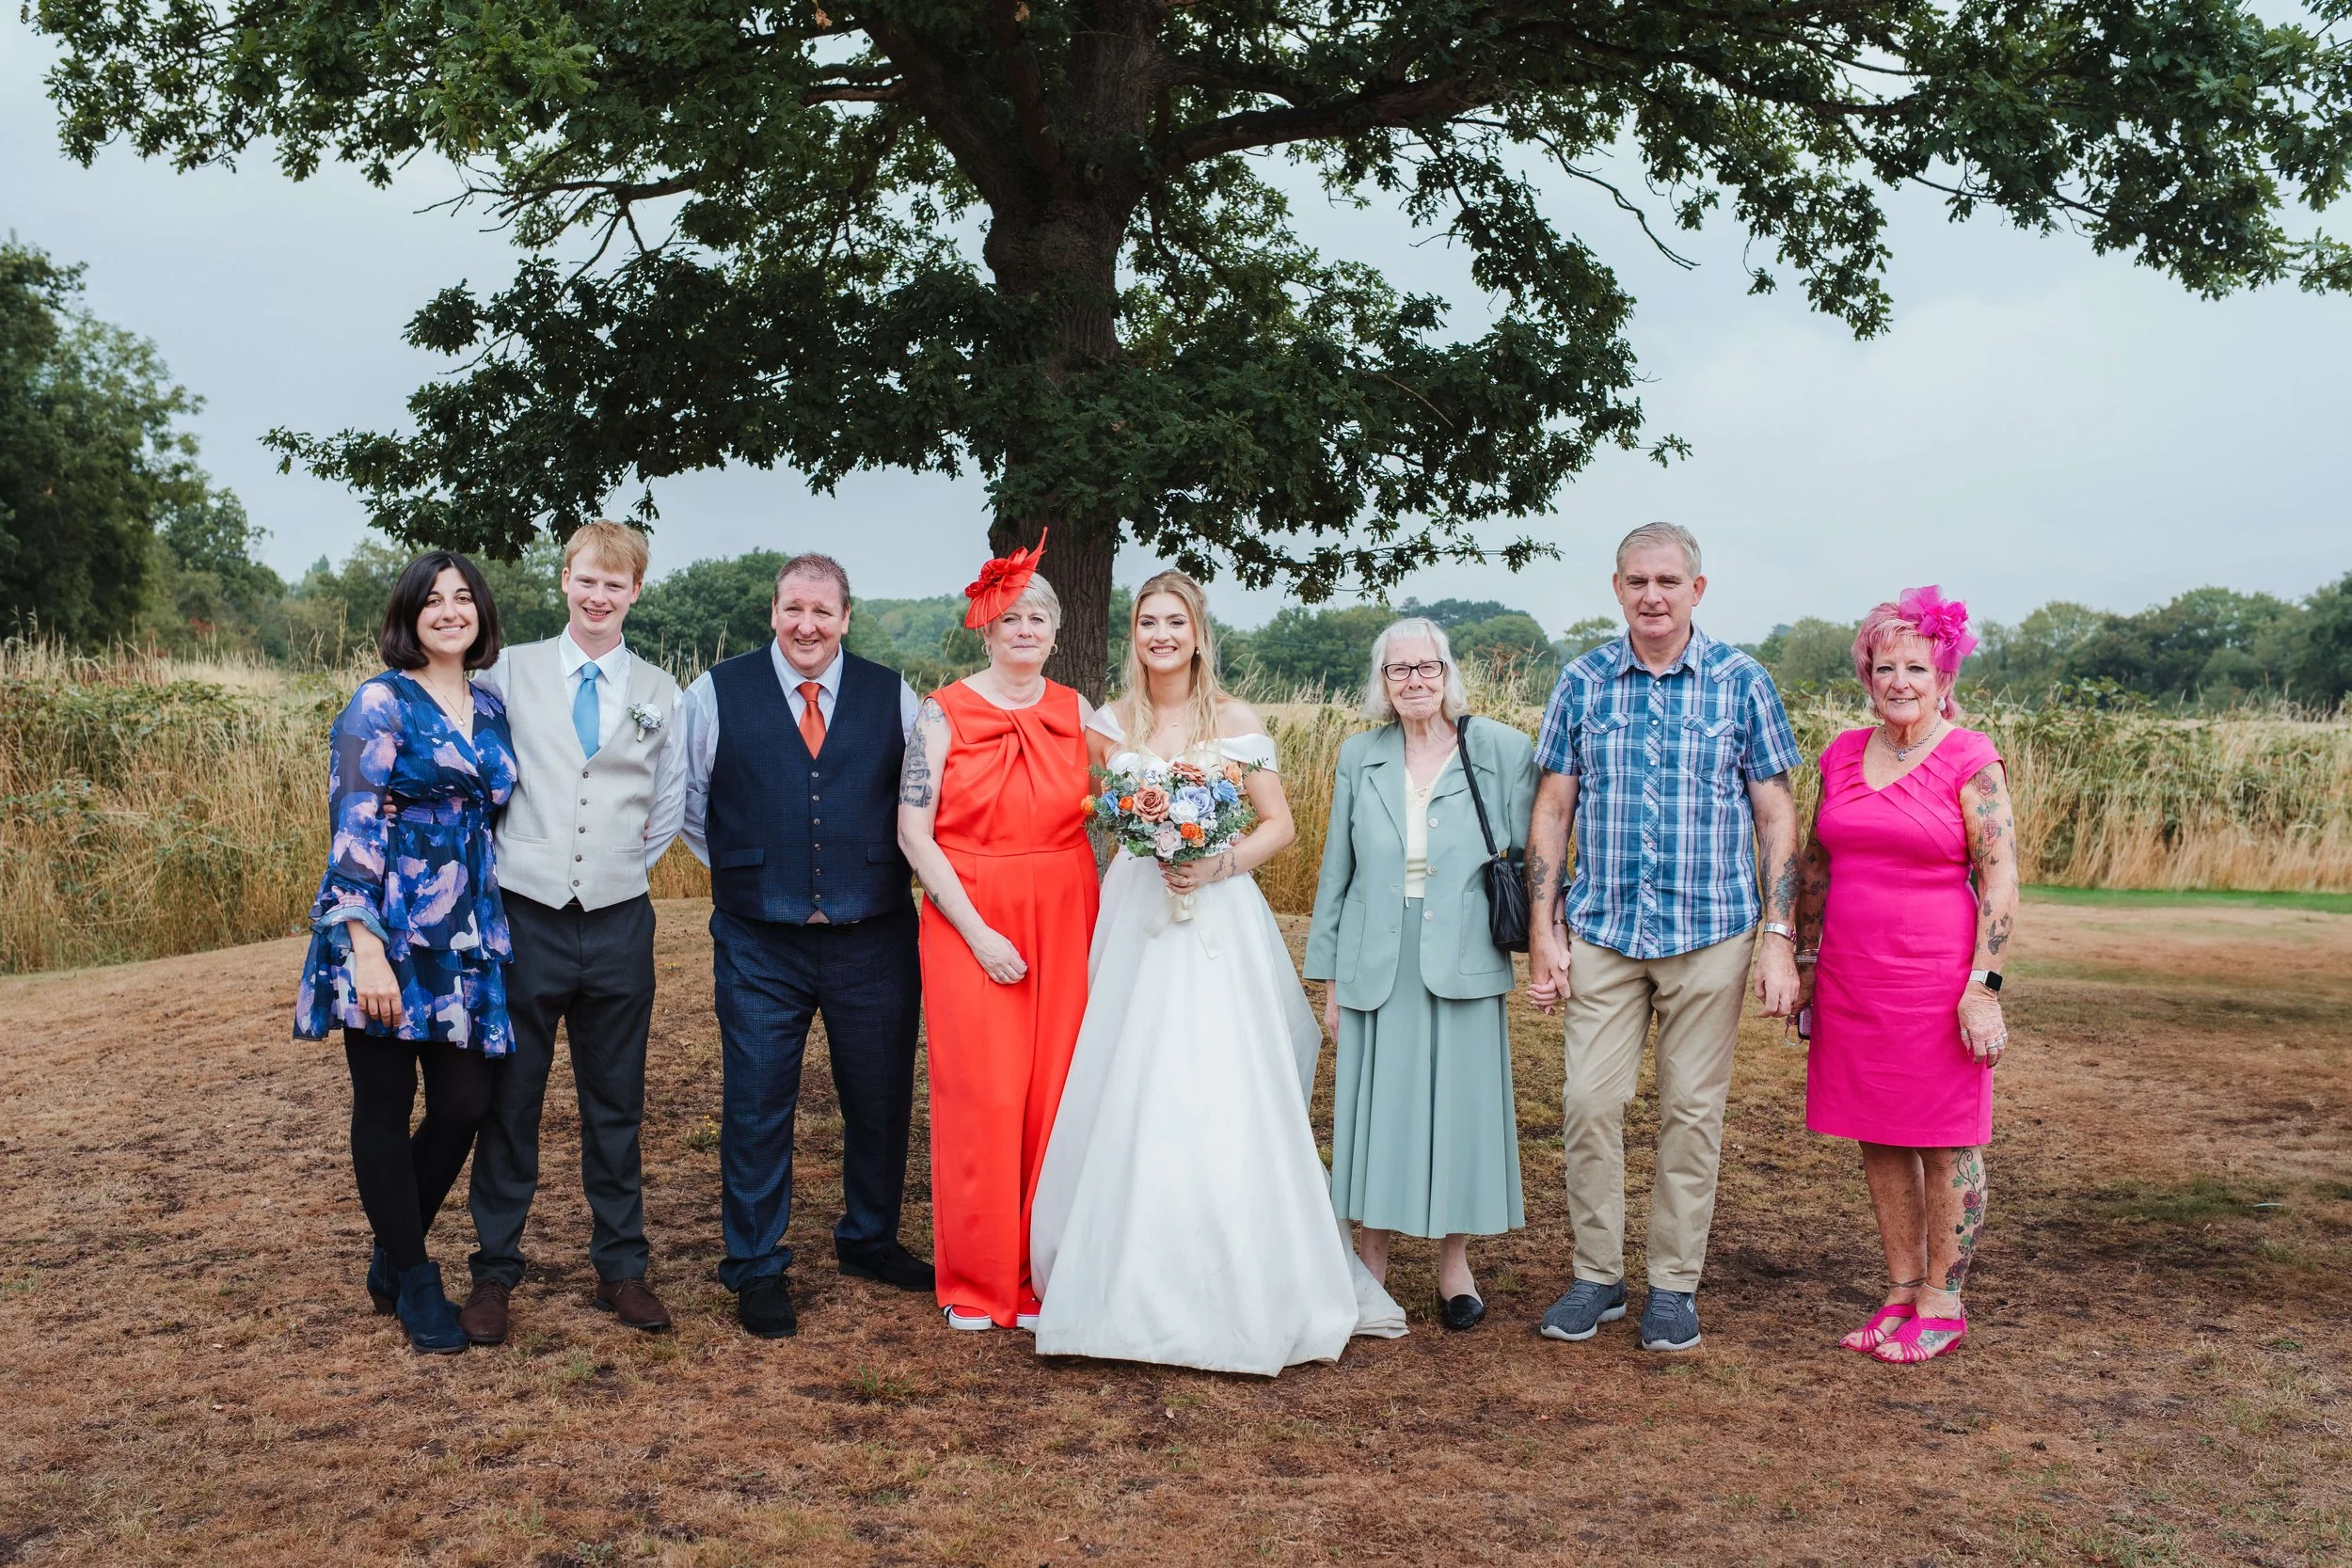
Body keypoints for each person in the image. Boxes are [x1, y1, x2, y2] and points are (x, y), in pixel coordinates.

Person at [1026, 569, 1390, 1374]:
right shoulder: (1108, 722)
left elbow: (1280, 824)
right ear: (1134, 634)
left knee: (1214, 1081)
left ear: (1198, 633)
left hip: (1216, 916)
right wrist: (1139, 843)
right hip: (1135, 914)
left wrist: (1217, 861)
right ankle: (1117, 1272)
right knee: (1129, 1071)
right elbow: (1087, 810)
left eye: (1175, 621)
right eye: (1148, 621)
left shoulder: (1234, 720)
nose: (1162, 634)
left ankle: (1237, 1276)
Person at [1526, 521, 1804, 1354]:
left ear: (1697, 589)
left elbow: (1776, 812)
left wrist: (1780, 932)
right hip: (1605, 929)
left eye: (1667, 582)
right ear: (1617, 589)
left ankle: (1674, 1286)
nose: (1653, 595)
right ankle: (1597, 1275)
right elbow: (1552, 808)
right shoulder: (1582, 683)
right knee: (1588, 1105)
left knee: (1691, 1111)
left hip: (1710, 929)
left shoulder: (1740, 682)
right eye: (1637, 581)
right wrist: (1543, 929)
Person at [677, 553, 931, 1340]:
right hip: (759, 940)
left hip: (875, 935)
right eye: (793, 608)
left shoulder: (896, 696)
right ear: (774, 612)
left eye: (823, 610)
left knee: (880, 1097)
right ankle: (755, 1265)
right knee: (755, 1103)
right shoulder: (713, 694)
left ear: (846, 617)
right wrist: (756, 871)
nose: (807, 624)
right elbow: (688, 804)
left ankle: (869, 1238)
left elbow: (925, 801)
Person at [459, 521, 686, 1345]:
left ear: (634, 592)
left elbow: (666, 804)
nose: (599, 597)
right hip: (524, 916)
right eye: (587, 581)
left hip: (621, 921)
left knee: (616, 1102)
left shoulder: (662, 691)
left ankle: (622, 1266)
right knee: (510, 1099)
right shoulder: (508, 671)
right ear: (565, 581)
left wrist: (616, 865)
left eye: (615, 585)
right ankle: (493, 1269)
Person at [294, 550, 516, 1355]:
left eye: (464, 598)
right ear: (409, 614)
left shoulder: (489, 708)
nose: (450, 610)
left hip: (464, 931)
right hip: (386, 925)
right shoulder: (378, 703)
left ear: (482, 613)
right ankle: (418, 1280)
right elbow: (352, 827)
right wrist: (363, 947)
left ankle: (392, 1251)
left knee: (464, 1105)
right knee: (384, 1103)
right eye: (434, 599)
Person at [1793, 588, 2017, 1365]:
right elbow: (1815, 866)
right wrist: (1804, 962)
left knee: (1948, 1136)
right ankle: (1899, 1289)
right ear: (1867, 674)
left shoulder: (1970, 756)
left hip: (1937, 977)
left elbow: (2000, 877)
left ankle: (1944, 1301)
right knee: (1878, 1130)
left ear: (1943, 675)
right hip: (1853, 976)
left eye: (1915, 666)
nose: (1899, 680)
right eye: (1884, 665)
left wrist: (1983, 988)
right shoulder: (1841, 753)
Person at [1304, 616, 1537, 1334]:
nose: (1414, 681)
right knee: (1377, 1110)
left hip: (1465, 952)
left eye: (1426, 667)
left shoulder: (1498, 748)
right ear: (1382, 681)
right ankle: (1368, 1261)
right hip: (1376, 955)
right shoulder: (1358, 756)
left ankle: (1453, 1265)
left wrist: (1550, 937)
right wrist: (1329, 978)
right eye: (1399, 670)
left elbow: (1537, 848)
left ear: (1448, 672)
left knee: (1461, 1110)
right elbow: (1336, 874)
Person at [898, 536, 1100, 1334]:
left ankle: (1041, 1271)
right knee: (981, 1093)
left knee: (1055, 1092)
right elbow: (915, 833)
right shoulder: (941, 711)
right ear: (987, 627)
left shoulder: (1079, 710)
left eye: (1039, 616)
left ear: (1056, 631)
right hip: (968, 909)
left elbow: (1120, 814)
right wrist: (977, 932)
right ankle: (976, 1281)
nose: (1025, 628)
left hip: (1065, 904)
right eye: (1010, 616)